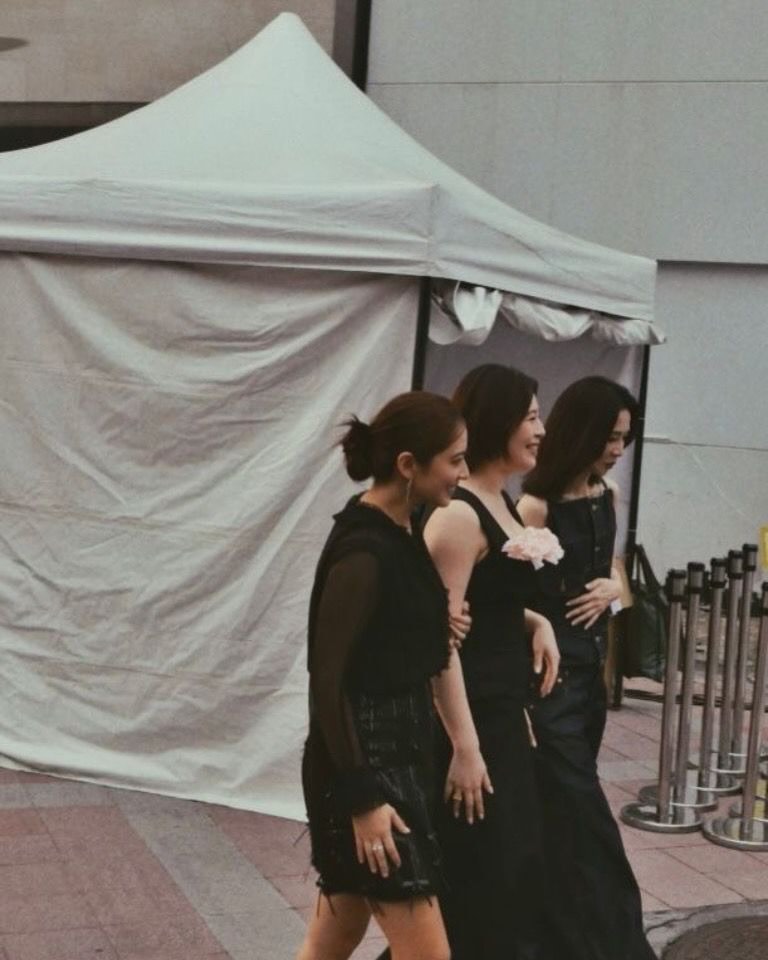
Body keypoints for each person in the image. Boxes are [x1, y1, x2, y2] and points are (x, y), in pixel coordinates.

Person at [296, 391, 470, 960]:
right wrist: (363, 800)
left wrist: (439, 626)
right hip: (367, 773)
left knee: (334, 936)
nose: (462, 473)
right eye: (454, 460)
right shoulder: (364, 550)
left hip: (395, 764)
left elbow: (390, 639)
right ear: (408, 464)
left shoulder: (400, 529)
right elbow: (328, 680)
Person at [423, 364, 560, 960]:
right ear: (499, 421)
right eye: (530, 416)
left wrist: (537, 623)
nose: (541, 430)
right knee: (482, 881)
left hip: (504, 714)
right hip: (471, 721)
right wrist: (465, 746)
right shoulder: (459, 515)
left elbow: (489, 605)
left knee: (510, 874)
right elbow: (439, 639)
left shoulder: (501, 502)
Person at [517, 375, 656, 960]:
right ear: (582, 431)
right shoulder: (534, 506)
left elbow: (616, 572)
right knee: (586, 821)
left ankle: (557, 941)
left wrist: (614, 590)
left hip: (590, 681)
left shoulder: (608, 494)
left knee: (561, 821)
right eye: (610, 437)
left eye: (625, 438)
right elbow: (504, 597)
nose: (617, 450)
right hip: (547, 688)